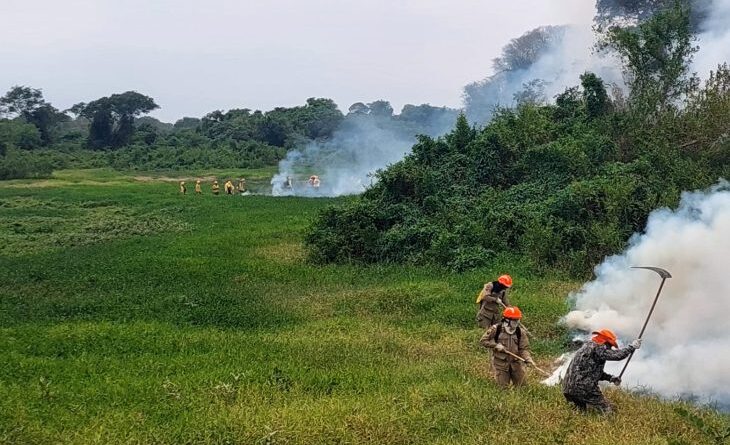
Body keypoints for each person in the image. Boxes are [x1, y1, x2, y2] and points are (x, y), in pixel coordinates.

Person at [562, 329, 642, 414]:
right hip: (583, 388)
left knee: (580, 412)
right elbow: (618, 355)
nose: (610, 348)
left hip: (568, 388)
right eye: (609, 345)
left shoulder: (587, 347)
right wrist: (631, 347)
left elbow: (590, 372)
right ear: (605, 342)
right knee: (609, 410)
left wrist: (610, 378)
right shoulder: (598, 347)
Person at [480, 306, 534, 388]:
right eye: (514, 320)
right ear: (507, 320)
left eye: (518, 319)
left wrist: (528, 359)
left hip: (516, 364)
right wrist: (495, 345)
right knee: (503, 389)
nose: (517, 322)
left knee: (523, 388)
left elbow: (524, 349)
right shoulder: (496, 329)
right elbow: (483, 341)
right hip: (501, 364)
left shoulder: (520, 332)